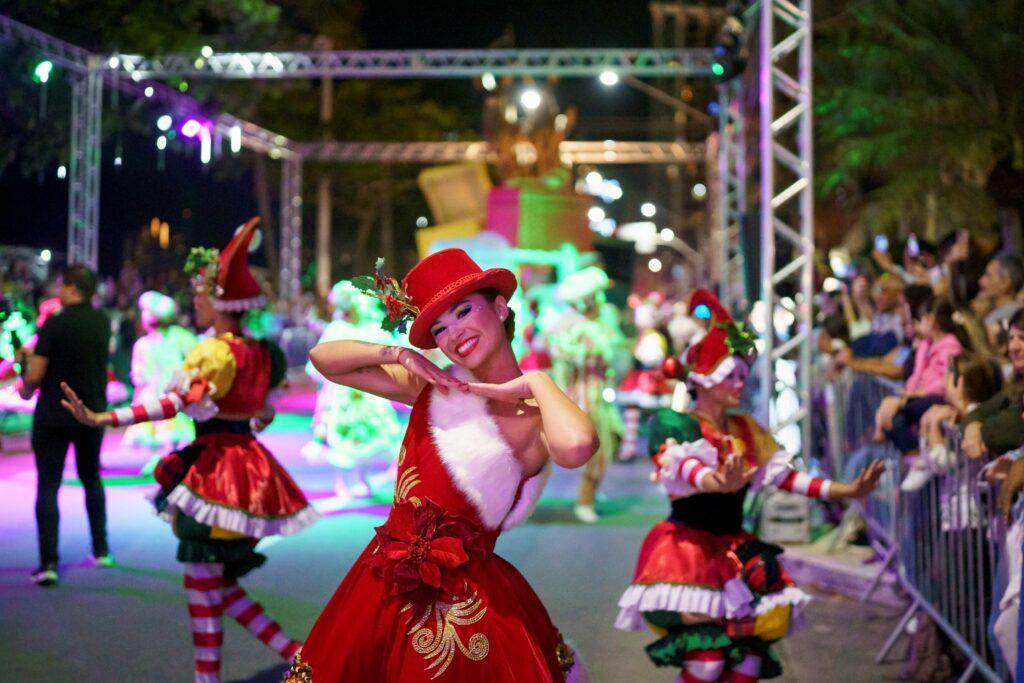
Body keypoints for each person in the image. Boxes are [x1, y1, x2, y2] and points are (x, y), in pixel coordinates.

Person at [291, 248, 596, 681]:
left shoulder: (533, 414)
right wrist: (397, 355)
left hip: (469, 606)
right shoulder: (436, 386)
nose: (454, 333)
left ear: (499, 306)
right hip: (380, 584)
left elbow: (579, 446)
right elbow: (325, 360)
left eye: (464, 311)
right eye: (440, 327)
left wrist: (536, 381)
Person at [61, 219, 318, 683]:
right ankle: (301, 656)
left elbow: (173, 404)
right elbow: (264, 415)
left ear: (219, 302)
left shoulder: (214, 354)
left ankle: (226, 675)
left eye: (200, 295)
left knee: (203, 580)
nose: (194, 303)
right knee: (213, 583)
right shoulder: (261, 354)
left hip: (216, 473)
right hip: (247, 471)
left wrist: (105, 417)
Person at [615, 289, 883, 682]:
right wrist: (715, 480)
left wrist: (845, 492)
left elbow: (786, 477)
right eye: (732, 375)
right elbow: (684, 466)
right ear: (705, 378)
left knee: (747, 661)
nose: (741, 384)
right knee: (705, 661)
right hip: (689, 552)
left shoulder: (746, 429)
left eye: (743, 375)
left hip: (734, 551)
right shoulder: (676, 425)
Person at [16, 266, 111, 587]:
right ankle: (101, 549)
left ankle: (49, 564)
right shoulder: (102, 323)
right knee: (91, 479)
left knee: (48, 486)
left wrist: (23, 374)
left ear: (69, 288)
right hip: (90, 413)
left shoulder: (54, 325)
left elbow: (35, 377)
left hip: (53, 418)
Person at [304, 280, 404, 503]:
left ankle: (362, 477)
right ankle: (342, 481)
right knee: (344, 434)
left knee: (367, 433)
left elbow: (390, 349)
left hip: (368, 390)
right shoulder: (337, 330)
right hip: (344, 392)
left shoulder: (369, 328)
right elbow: (319, 361)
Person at [548, 266, 626, 523]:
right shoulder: (578, 329)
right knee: (598, 451)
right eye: (598, 294)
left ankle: (591, 492)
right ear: (586, 299)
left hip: (599, 397)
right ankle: (585, 499)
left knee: (610, 442)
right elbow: (565, 362)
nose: (602, 299)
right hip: (587, 400)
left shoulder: (596, 325)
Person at [872, 296, 967, 454]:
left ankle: (916, 455)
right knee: (892, 411)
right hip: (920, 395)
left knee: (897, 414)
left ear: (930, 320)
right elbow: (917, 374)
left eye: (920, 319)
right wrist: (909, 391)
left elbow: (944, 381)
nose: (916, 324)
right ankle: (913, 454)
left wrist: (910, 397)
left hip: (938, 396)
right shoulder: (925, 345)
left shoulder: (951, 346)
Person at [122, 291, 198, 473]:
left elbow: (196, 353)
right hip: (151, 392)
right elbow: (139, 369)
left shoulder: (177, 336)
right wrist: (142, 379)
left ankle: (171, 457)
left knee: (172, 425)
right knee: (153, 424)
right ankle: (158, 458)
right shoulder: (143, 344)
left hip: (174, 389)